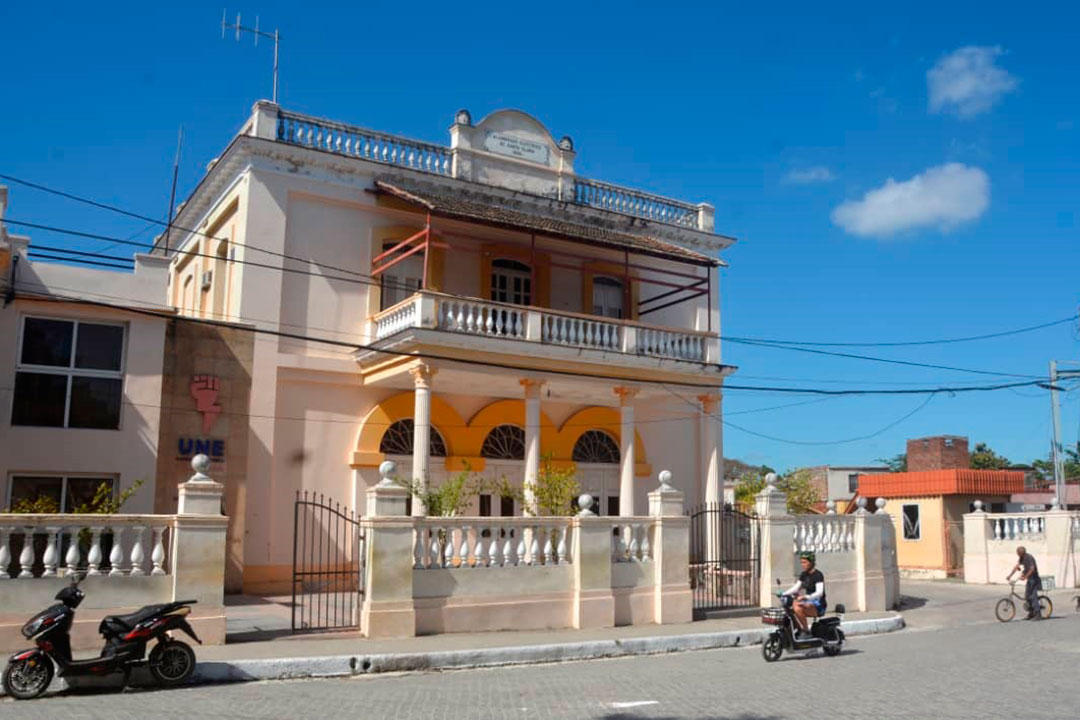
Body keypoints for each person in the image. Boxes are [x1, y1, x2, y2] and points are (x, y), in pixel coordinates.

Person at [783, 551, 826, 639]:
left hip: (818, 604)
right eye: (801, 562)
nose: (803, 565)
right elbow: (796, 587)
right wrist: (784, 593)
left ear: (811, 562)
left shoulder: (818, 575)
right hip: (808, 601)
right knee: (791, 607)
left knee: (798, 607)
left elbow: (819, 592)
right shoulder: (804, 575)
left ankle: (806, 631)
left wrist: (806, 597)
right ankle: (798, 629)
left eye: (805, 562)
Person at [1006, 546, 1042, 620]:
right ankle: (1031, 613)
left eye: (1017, 552)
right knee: (1027, 596)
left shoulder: (1029, 557)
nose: (1017, 554)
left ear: (1020, 553)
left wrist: (1025, 577)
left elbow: (1032, 569)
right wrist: (1010, 575)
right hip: (1030, 579)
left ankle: (1038, 614)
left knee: (1033, 596)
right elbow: (1016, 566)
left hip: (1034, 579)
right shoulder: (1022, 558)